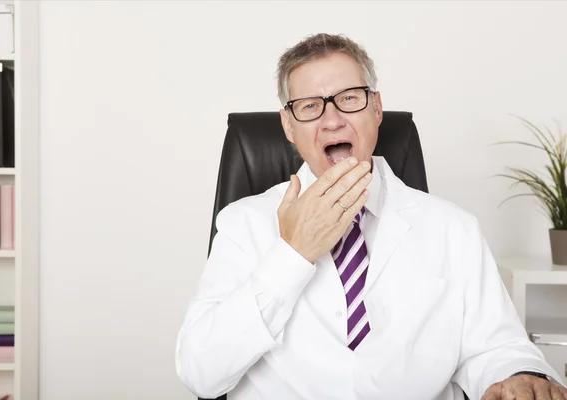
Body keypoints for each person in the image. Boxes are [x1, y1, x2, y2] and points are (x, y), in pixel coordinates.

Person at [175, 33, 566, 400]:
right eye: (310, 106)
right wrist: (293, 254)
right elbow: (201, 371)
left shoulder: (453, 228)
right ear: (288, 126)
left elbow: (495, 348)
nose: (332, 120)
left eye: (349, 98)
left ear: (376, 107)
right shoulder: (243, 223)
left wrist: (521, 376)